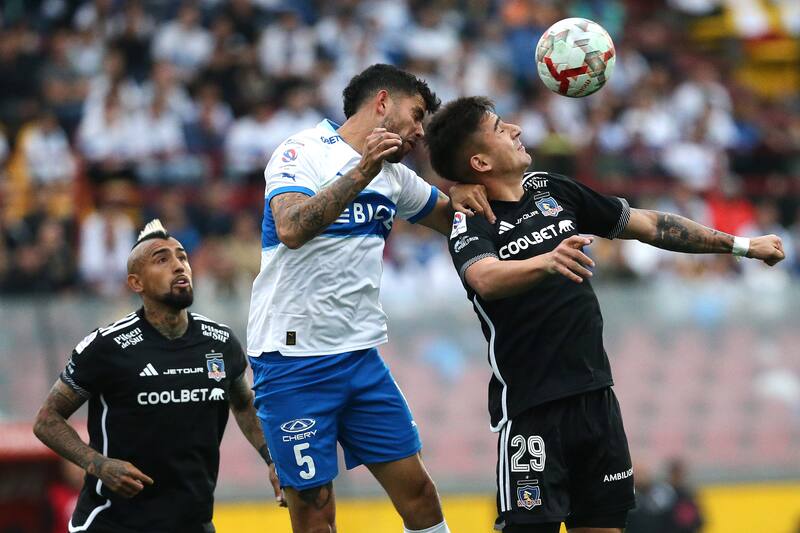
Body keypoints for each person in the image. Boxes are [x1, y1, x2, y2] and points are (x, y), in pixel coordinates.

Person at [424, 96, 785, 533]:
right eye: (500, 128)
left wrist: (741, 246)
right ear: (479, 161)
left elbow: (648, 224)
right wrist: (547, 262)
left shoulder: (550, 189)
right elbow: (484, 276)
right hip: (534, 409)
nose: (516, 129)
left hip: (598, 400)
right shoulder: (471, 218)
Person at [247, 64, 492, 533]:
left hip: (359, 358)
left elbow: (452, 217)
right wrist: (362, 172)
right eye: (416, 115)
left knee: (420, 496)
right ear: (382, 103)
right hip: (292, 362)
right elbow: (292, 228)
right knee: (316, 513)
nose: (420, 131)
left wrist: (466, 196)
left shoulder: (394, 177)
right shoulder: (301, 152)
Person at [33, 219, 282, 533]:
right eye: (162, 259)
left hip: (193, 523)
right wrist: (99, 466)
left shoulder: (220, 343)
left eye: (182, 257)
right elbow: (47, 419)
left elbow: (244, 405)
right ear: (136, 283)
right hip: (113, 523)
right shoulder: (106, 347)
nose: (178, 266)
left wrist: (273, 459)